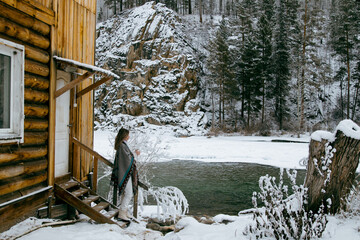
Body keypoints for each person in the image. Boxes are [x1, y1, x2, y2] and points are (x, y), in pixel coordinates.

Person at [111, 128, 140, 221]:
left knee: (126, 192)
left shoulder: (123, 145)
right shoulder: (122, 146)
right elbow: (128, 160)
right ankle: (122, 213)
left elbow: (128, 158)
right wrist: (135, 154)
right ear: (124, 136)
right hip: (124, 172)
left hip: (124, 172)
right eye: (128, 135)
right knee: (128, 193)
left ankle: (124, 212)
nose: (129, 136)